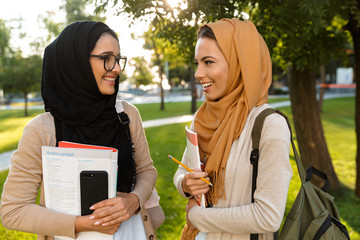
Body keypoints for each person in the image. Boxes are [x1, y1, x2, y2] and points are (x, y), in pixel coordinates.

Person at [0, 21, 157, 239]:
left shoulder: (126, 115)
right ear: (76, 63)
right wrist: (84, 223)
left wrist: (134, 200)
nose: (118, 68)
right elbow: (13, 210)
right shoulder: (42, 130)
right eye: (106, 58)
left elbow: (146, 171)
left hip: (131, 232)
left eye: (118, 59)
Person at [173, 18, 293, 240]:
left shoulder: (269, 125)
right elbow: (182, 171)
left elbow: (268, 216)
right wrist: (185, 184)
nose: (198, 73)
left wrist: (197, 216)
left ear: (241, 63)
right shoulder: (203, 117)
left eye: (208, 62)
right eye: (197, 62)